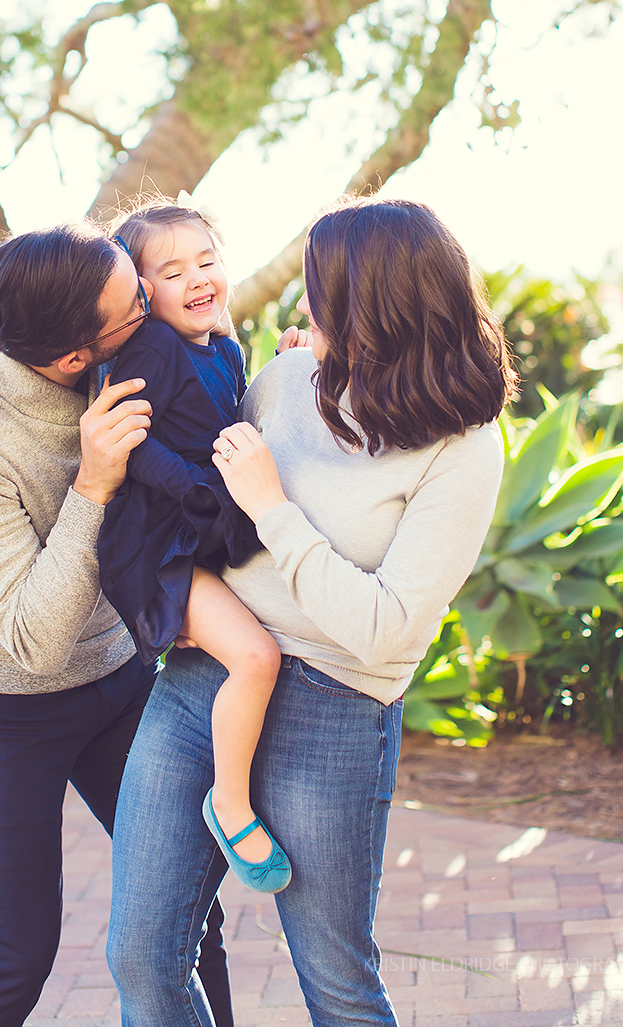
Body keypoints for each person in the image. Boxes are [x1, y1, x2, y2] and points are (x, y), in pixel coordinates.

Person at [106, 197, 518, 1027]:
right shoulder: (288, 377)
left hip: (335, 705)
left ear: (377, 306)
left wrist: (274, 511)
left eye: (319, 293)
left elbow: (388, 625)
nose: (304, 309)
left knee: (334, 979)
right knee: (140, 958)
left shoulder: (464, 446)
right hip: (204, 680)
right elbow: (200, 498)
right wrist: (173, 598)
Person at [0, 222, 233, 1027]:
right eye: (135, 303)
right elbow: (34, 638)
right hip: (1, 700)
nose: (153, 301)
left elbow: (201, 363)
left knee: (190, 910)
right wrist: (93, 482)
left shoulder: (92, 305)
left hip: (116, 677)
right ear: (75, 359)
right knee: (19, 951)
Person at [98, 199, 290, 892]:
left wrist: (282, 369)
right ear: (141, 292)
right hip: (161, 544)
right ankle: (229, 802)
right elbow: (134, 438)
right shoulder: (150, 347)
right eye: (174, 271)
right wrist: (193, 489)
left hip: (204, 527)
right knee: (256, 655)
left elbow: (232, 420)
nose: (199, 278)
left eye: (207, 261)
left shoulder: (227, 346)